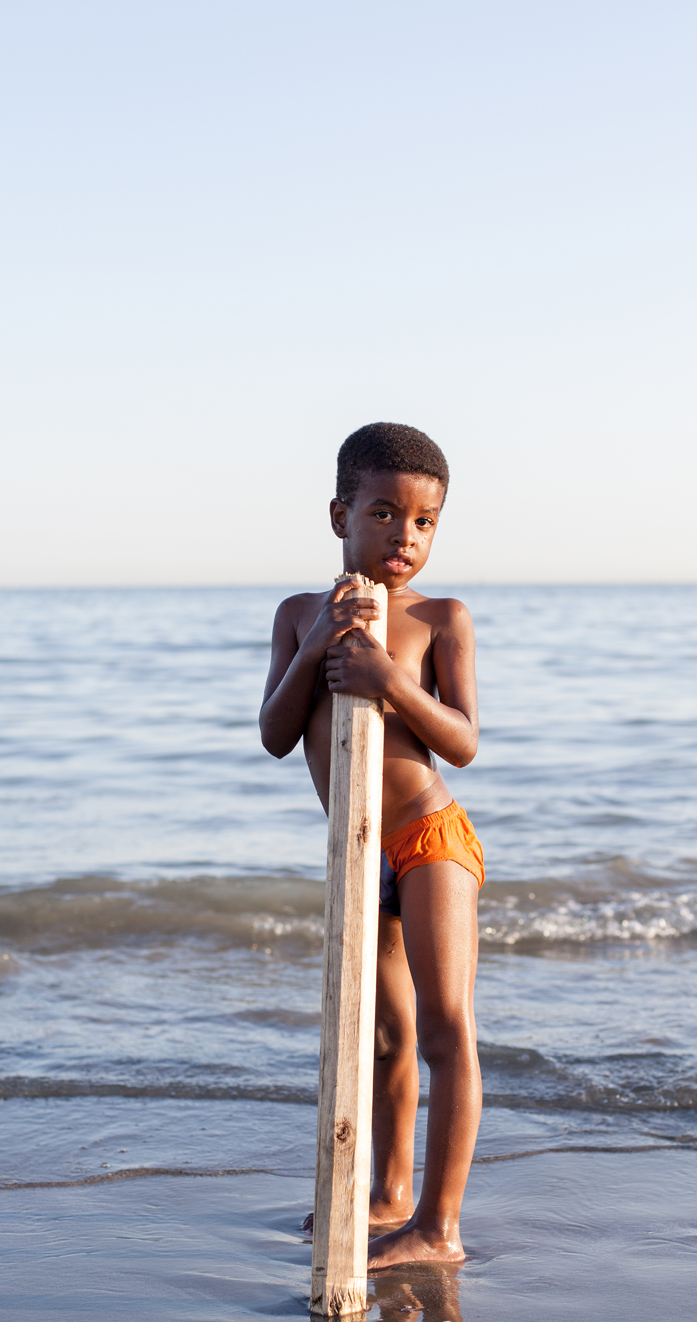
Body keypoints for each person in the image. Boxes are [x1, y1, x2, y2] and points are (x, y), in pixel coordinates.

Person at [260, 422, 482, 1268]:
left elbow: (462, 742)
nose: (405, 537)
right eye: (384, 513)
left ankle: (438, 1226)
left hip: (428, 839)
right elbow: (276, 733)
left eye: (424, 522)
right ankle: (387, 1193)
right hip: (358, 851)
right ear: (339, 515)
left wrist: (392, 682)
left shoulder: (439, 619)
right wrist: (321, 641)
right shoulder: (295, 615)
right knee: (385, 1036)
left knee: (444, 1030)